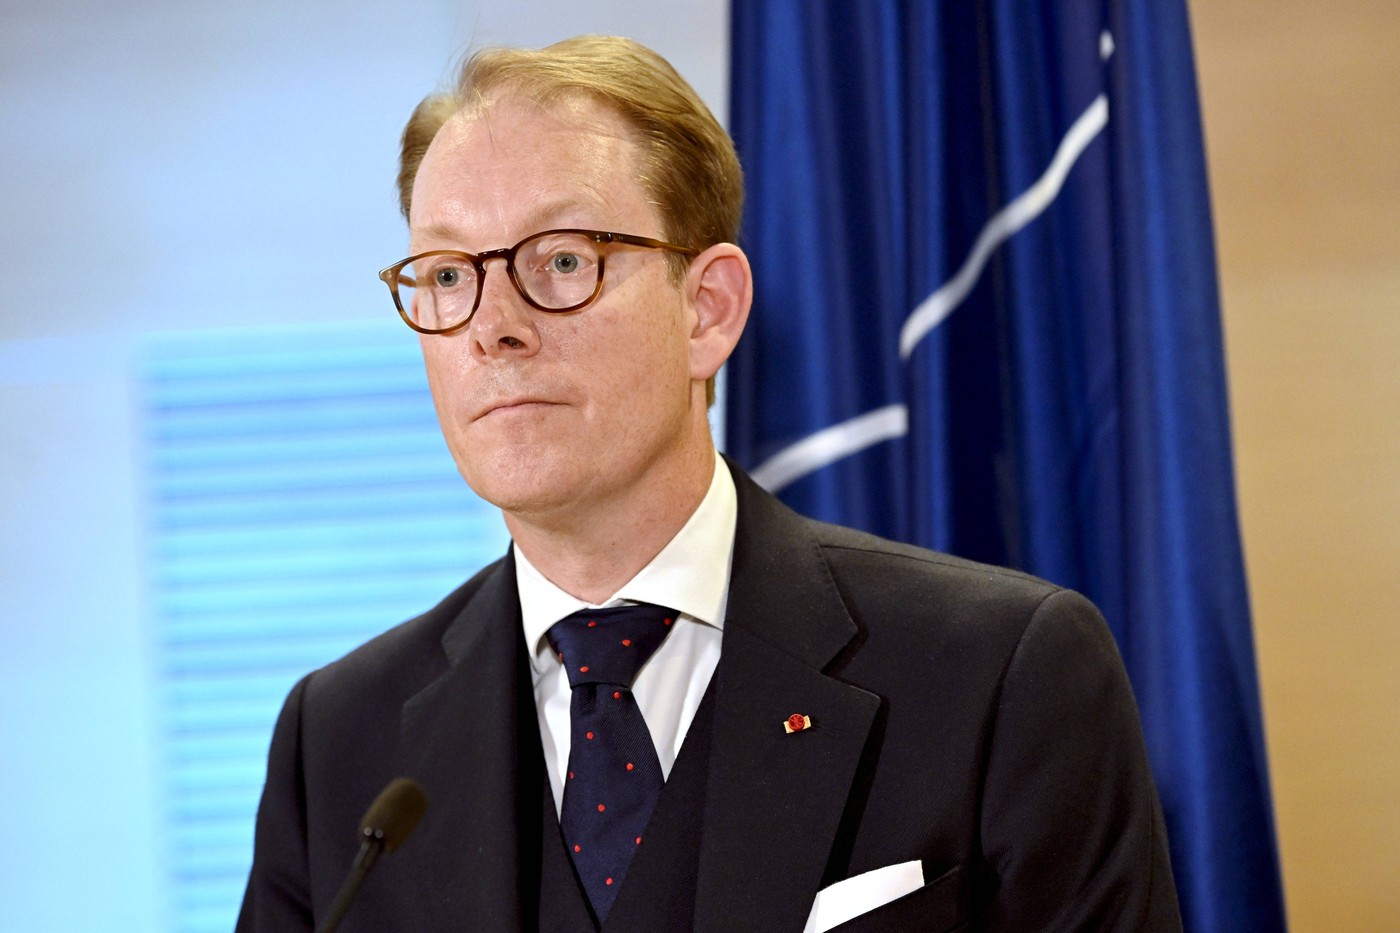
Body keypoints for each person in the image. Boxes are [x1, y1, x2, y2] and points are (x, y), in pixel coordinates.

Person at [237, 35, 1181, 932]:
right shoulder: (339, 743)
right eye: (447, 275)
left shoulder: (1002, 673)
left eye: (562, 260)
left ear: (709, 310)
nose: (492, 326)